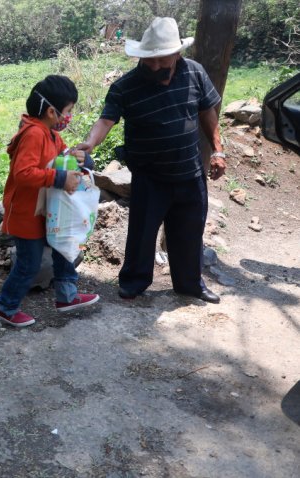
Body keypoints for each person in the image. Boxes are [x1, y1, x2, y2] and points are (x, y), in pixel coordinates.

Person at [75, 17, 226, 304]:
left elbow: (208, 112)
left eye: (161, 60)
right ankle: (134, 281)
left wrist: (218, 150)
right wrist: (90, 142)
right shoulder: (125, 86)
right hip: (149, 176)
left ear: (177, 53)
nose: (155, 66)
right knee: (142, 233)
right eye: (150, 60)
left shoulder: (195, 73)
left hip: (190, 172)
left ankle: (190, 283)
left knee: (190, 233)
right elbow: (106, 119)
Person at [0, 75, 100, 328]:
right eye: (68, 111)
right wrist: (60, 178)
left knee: (65, 247)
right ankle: (5, 306)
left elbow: (63, 155)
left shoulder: (50, 134)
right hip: (26, 213)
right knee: (29, 265)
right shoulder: (33, 134)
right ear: (52, 111)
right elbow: (23, 173)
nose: (68, 117)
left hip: (46, 210)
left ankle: (67, 296)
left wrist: (81, 159)